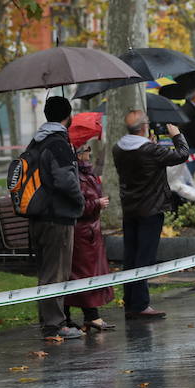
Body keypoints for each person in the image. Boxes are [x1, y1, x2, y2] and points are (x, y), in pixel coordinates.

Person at [113, 110, 190, 320]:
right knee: (144, 258)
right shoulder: (150, 150)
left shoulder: (118, 148)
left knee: (130, 256)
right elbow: (182, 154)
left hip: (130, 208)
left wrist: (150, 144)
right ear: (144, 127)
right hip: (151, 209)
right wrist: (176, 135)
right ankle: (140, 305)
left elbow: (143, 157)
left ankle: (130, 302)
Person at [29, 96, 85, 340]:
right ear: (68, 116)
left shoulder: (36, 141)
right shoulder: (58, 144)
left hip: (38, 215)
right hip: (57, 217)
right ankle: (54, 325)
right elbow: (64, 179)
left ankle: (48, 321)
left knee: (46, 271)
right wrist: (80, 201)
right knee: (56, 272)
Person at [64, 139, 115, 332]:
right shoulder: (75, 175)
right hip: (82, 233)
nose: (89, 152)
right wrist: (97, 204)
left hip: (90, 232)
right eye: (86, 150)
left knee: (86, 274)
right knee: (82, 275)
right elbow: (76, 205)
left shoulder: (87, 172)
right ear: (78, 154)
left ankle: (87, 316)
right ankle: (86, 316)